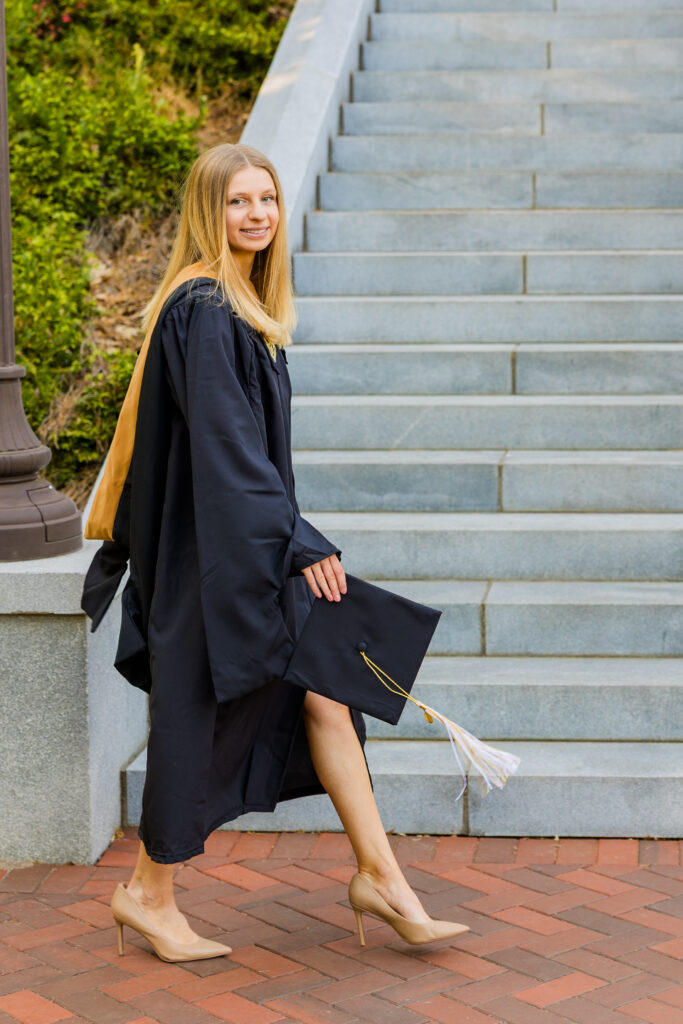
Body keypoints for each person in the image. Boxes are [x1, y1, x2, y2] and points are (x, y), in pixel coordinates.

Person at [81, 142, 469, 963]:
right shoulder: (206, 310)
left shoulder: (235, 309)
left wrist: (283, 538)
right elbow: (225, 447)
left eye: (267, 199)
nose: (256, 214)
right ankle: (148, 895)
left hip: (237, 546)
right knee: (197, 720)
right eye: (236, 202)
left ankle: (383, 879)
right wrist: (294, 543)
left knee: (329, 695)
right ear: (206, 212)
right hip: (213, 563)